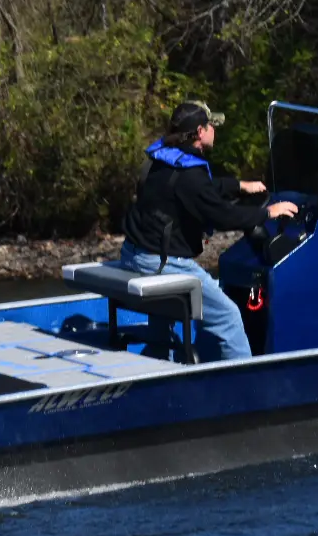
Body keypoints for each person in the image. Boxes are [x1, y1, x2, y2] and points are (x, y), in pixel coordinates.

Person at [118, 100, 297, 360]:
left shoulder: (162, 160)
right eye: (212, 126)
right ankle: (249, 386)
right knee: (228, 315)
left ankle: (160, 362)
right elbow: (223, 215)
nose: (215, 130)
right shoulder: (190, 175)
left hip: (134, 254)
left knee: (168, 312)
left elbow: (199, 189)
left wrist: (239, 185)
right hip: (162, 264)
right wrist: (268, 212)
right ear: (201, 132)